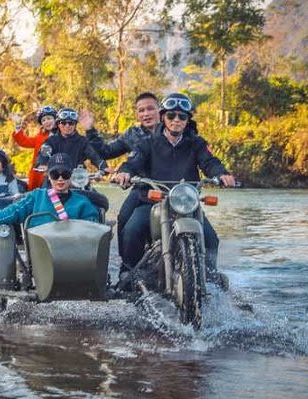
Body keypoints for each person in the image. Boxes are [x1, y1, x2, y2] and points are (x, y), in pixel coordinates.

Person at [113, 93, 236, 276]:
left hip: (186, 204)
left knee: (211, 239)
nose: (176, 120)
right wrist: (125, 172)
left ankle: (209, 278)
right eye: (171, 115)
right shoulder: (147, 143)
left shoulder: (196, 143)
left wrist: (222, 174)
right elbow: (133, 161)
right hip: (153, 201)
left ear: (187, 120)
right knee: (132, 230)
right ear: (163, 117)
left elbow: (210, 162)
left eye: (182, 116)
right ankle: (130, 273)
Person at [85, 92, 160, 252]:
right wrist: (90, 130)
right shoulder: (133, 133)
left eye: (150, 109)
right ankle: (126, 267)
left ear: (159, 110)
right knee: (124, 218)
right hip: (142, 188)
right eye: (141, 110)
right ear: (137, 114)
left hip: (173, 188)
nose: (146, 114)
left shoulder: (171, 130)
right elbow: (106, 151)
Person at [0, 153, 99, 243]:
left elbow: (94, 232)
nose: (60, 179)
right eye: (54, 174)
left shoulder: (83, 203)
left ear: (71, 175)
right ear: (48, 176)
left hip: (72, 258)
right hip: (39, 254)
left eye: (65, 174)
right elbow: (13, 211)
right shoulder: (37, 196)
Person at [36, 107, 110, 176]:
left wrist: (103, 166)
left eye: (71, 123)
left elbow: (93, 155)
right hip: (55, 178)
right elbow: (43, 155)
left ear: (75, 124)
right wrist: (42, 164)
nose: (67, 125)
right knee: (44, 190)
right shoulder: (50, 141)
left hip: (77, 179)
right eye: (63, 123)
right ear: (58, 124)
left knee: (91, 189)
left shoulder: (83, 141)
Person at [11, 106, 57, 190]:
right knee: (41, 198)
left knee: (56, 199)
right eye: (43, 120)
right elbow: (24, 141)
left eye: (49, 118)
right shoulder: (40, 137)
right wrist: (18, 125)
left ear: (55, 119)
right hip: (40, 177)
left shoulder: (63, 135)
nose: (47, 122)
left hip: (58, 175)